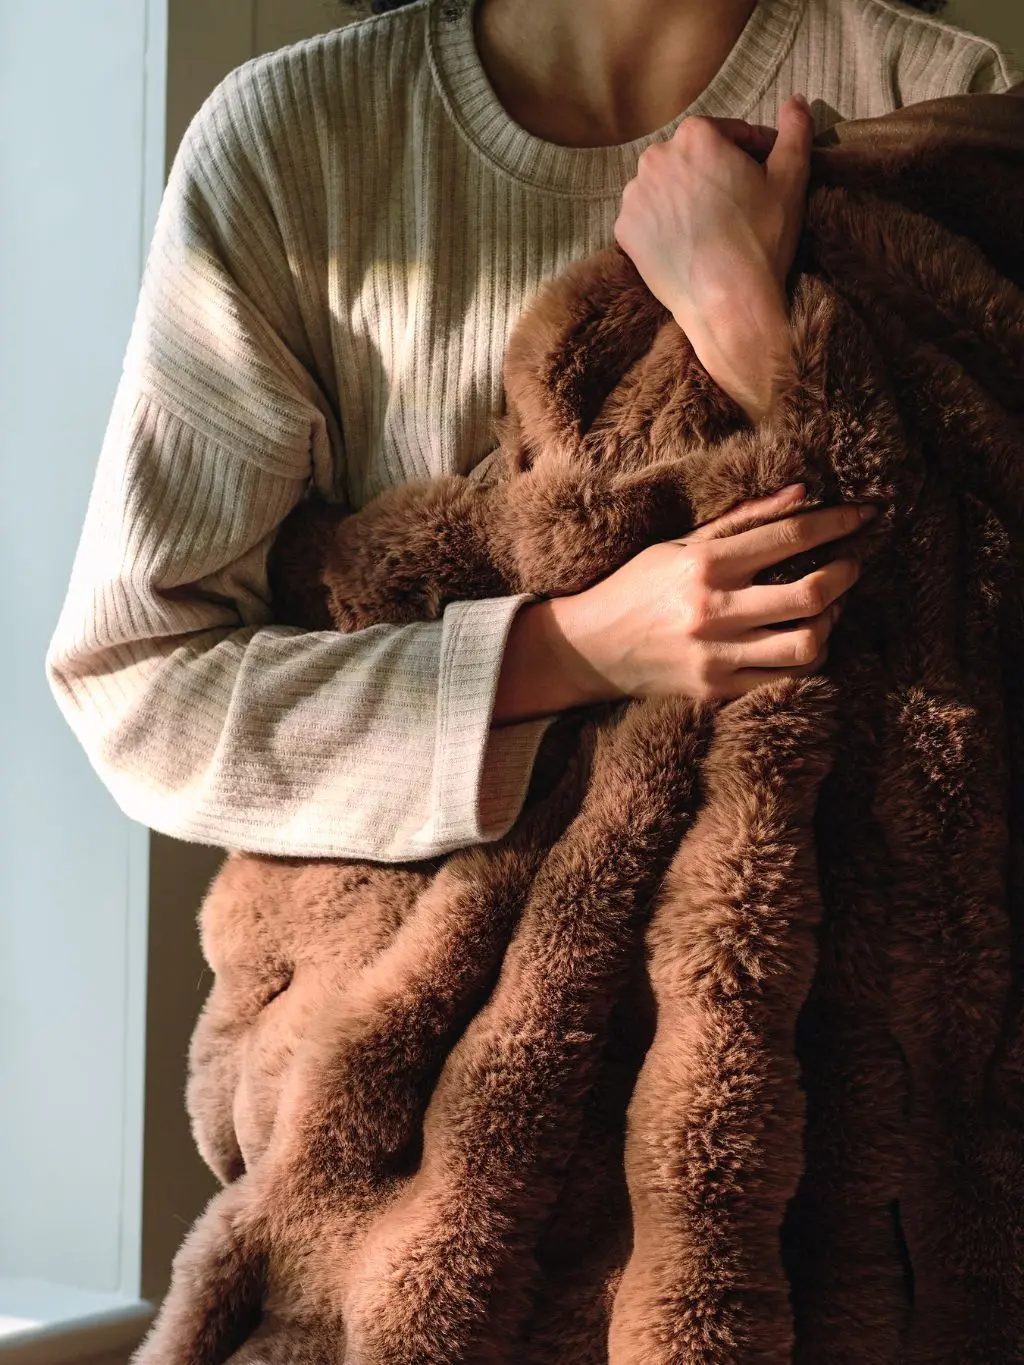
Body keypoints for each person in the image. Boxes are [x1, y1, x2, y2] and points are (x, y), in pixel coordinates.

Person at [46, 0, 1021, 864]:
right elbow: (142, 690)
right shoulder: (296, 149)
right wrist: (572, 650)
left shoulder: (932, 94)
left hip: (824, 1032)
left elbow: (980, 638)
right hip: (411, 1038)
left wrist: (749, 332)